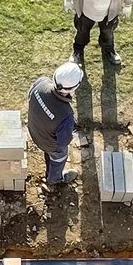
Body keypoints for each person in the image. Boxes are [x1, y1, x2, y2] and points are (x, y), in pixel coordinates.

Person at [27, 61, 82, 189]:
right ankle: (54, 179)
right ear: (73, 88)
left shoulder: (41, 83)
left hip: (34, 131)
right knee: (60, 155)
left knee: (49, 152)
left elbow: (29, 96)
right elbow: (63, 142)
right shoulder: (66, 115)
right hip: (48, 143)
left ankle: (48, 159)